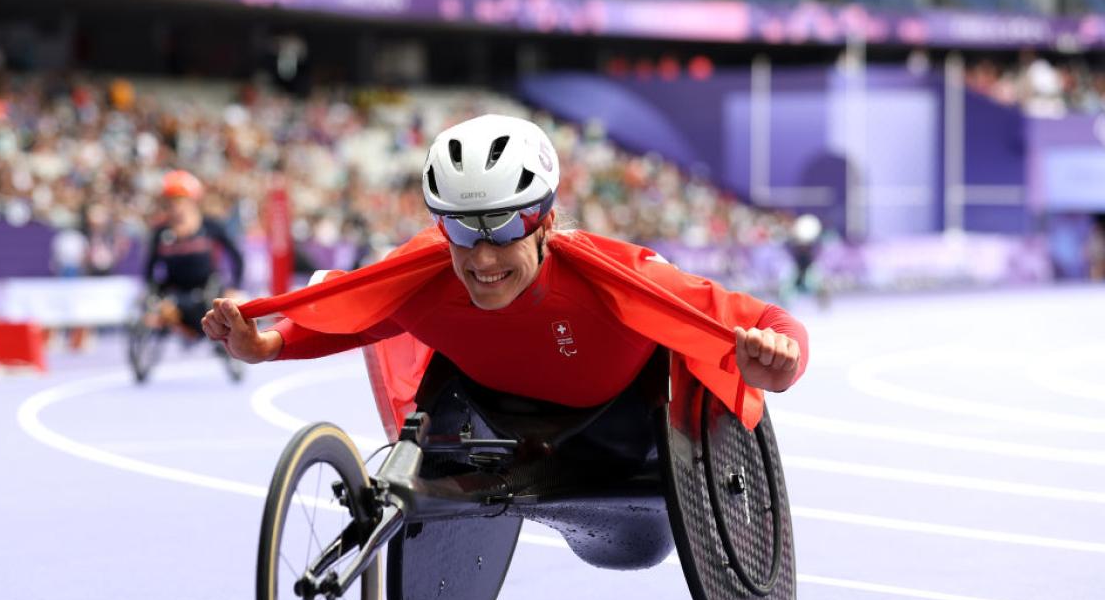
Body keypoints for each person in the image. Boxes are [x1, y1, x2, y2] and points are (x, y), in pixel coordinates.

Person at [203, 115, 807, 429]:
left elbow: (769, 321)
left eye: (504, 230)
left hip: (628, 419)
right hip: (496, 426)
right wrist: (267, 345)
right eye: (463, 231)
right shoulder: (425, 274)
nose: (483, 259)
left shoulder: (617, 275)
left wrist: (779, 363)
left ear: (544, 222)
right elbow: (357, 316)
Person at [144, 170, 245, 340]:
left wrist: (234, 287)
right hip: (175, 292)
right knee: (161, 309)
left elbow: (237, 258)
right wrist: (154, 296)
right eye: (170, 202)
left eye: (179, 200)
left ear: (192, 200)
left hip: (207, 289)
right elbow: (149, 269)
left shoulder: (210, 226)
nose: (175, 207)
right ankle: (182, 327)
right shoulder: (160, 233)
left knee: (231, 305)